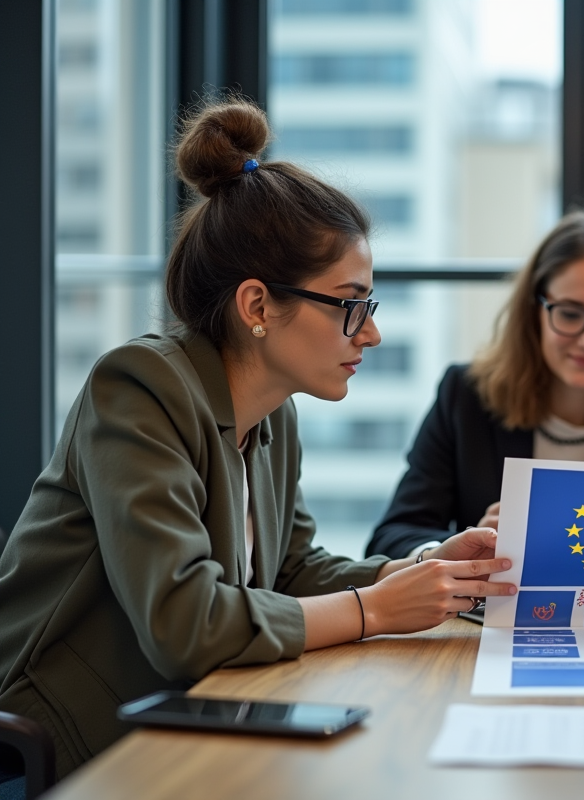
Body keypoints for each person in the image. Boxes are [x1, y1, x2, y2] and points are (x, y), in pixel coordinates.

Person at [0, 100, 515, 780]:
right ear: (257, 306)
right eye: (350, 305)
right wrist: (373, 609)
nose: (370, 333)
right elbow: (185, 625)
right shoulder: (137, 388)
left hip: (192, 706)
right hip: (66, 731)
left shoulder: (272, 413)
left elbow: (292, 571)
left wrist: (413, 572)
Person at [366, 210, 584, 561]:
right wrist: (452, 552)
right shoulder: (466, 396)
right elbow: (391, 538)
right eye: (569, 314)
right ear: (534, 310)